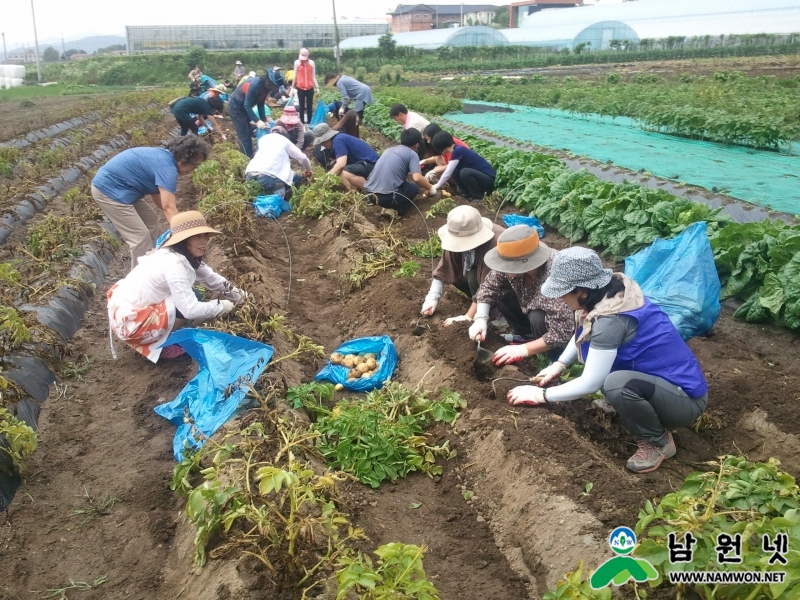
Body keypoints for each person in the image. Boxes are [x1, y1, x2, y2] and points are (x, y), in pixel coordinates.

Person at [505, 247, 709, 474]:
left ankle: (658, 442)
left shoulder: (611, 320)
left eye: (563, 292)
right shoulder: (605, 295)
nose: (561, 298)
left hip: (684, 399)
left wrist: (541, 395)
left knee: (615, 384)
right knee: (608, 374)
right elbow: (583, 333)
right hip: (658, 382)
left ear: (581, 292)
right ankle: (626, 403)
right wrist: (560, 364)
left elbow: (590, 383)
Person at [107, 211, 247, 363]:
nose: (204, 241)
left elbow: (211, 278)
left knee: (192, 295)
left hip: (128, 311)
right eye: (197, 236)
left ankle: (161, 333)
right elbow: (190, 310)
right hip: (132, 323)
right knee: (189, 302)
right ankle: (161, 345)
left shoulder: (180, 255)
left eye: (205, 236)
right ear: (183, 240)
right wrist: (220, 306)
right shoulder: (175, 265)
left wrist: (241, 296)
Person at [91, 137, 212, 269]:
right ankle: (141, 277)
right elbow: (168, 207)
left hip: (123, 188)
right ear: (184, 160)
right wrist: (184, 234)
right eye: (194, 165)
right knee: (140, 237)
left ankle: (153, 259)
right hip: (109, 190)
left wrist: (179, 221)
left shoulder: (164, 158)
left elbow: (157, 194)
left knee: (151, 220)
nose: (193, 170)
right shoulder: (167, 168)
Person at [470, 225, 574, 366]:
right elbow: (489, 287)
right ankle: (526, 336)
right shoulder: (511, 262)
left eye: (508, 265)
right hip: (531, 305)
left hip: (567, 324)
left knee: (538, 317)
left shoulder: (556, 274)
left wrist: (523, 350)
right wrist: (481, 318)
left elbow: (561, 331)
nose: (504, 269)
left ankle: (556, 355)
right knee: (500, 292)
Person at [421, 205, 504, 320]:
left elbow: (489, 285)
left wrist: (468, 317)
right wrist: (432, 298)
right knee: (456, 274)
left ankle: (496, 313)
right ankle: (484, 307)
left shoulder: (495, 244)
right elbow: (444, 268)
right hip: (485, 283)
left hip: (507, 287)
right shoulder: (457, 233)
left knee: (474, 279)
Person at [363, 129, 436, 217]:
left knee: (404, 184)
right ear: (417, 144)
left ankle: (387, 206)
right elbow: (417, 178)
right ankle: (396, 211)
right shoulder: (412, 154)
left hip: (369, 194)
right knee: (414, 188)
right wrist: (431, 188)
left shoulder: (389, 150)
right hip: (386, 198)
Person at [245, 126, 312, 201]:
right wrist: (308, 169)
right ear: (285, 135)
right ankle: (279, 200)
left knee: (260, 190)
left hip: (250, 174)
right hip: (267, 179)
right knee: (296, 177)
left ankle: (259, 200)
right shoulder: (284, 141)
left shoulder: (263, 139)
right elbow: (302, 158)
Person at [311, 123, 379, 191]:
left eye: (322, 142)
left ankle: (372, 193)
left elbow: (341, 164)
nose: (322, 145)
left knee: (346, 172)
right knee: (342, 172)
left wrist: (325, 179)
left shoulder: (338, 140)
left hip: (374, 166)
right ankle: (355, 194)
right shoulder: (338, 139)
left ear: (327, 138)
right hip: (368, 165)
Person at [431, 131, 496, 200]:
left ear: (441, 147)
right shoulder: (457, 150)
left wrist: (437, 186)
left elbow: (447, 173)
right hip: (482, 179)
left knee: (465, 172)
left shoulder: (458, 151)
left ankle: (477, 197)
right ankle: (467, 193)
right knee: (455, 170)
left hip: (489, 180)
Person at [228, 72, 280, 158]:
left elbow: (261, 104)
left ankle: (250, 154)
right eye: (273, 86)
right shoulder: (255, 85)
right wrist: (257, 121)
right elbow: (247, 105)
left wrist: (264, 120)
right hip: (236, 108)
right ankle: (247, 159)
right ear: (268, 81)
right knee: (244, 136)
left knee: (248, 132)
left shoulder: (265, 88)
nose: (273, 88)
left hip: (244, 109)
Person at [291, 48, 319, 127]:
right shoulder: (297, 63)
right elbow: (295, 76)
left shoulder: (312, 63)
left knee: (310, 107)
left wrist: (317, 88)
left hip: (310, 88)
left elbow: (313, 76)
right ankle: (302, 123)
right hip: (300, 88)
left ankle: (310, 123)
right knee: (301, 107)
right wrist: (292, 88)